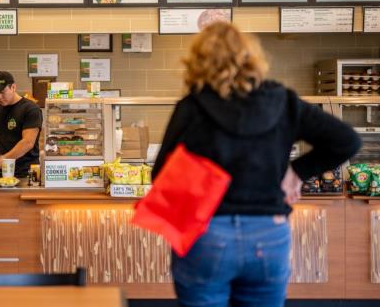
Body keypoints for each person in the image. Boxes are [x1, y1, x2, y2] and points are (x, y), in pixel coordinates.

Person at [152, 22, 361, 307]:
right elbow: (347, 141)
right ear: (254, 58)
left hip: (207, 232)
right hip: (268, 231)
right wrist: (296, 172)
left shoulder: (192, 107)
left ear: (197, 62)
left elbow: (160, 175)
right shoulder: (283, 102)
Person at [0, 71, 42, 177]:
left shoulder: (31, 109)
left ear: (13, 87)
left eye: (2, 92)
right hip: (1, 173)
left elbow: (27, 142)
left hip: (27, 172)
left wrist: (0, 160)